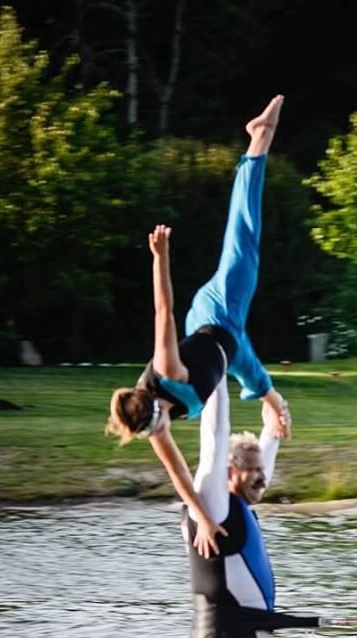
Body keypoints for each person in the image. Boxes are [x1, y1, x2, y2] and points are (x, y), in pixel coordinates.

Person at [106, 95, 288, 558]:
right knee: (258, 384)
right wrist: (204, 521)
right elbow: (178, 478)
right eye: (156, 426)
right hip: (231, 348)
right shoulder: (155, 428)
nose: (163, 426)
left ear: (153, 402)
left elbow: (163, 312)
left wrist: (160, 258)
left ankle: (256, 144)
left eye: (158, 418)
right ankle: (273, 404)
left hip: (216, 315)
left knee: (244, 241)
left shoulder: (168, 370)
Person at [182, 373, 299, 638]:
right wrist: (215, 372)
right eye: (252, 469)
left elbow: (268, 445)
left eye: (261, 467)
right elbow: (215, 436)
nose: (262, 474)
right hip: (224, 636)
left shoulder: (241, 504)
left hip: (237, 634)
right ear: (228, 472)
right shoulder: (213, 502)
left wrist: (275, 415)